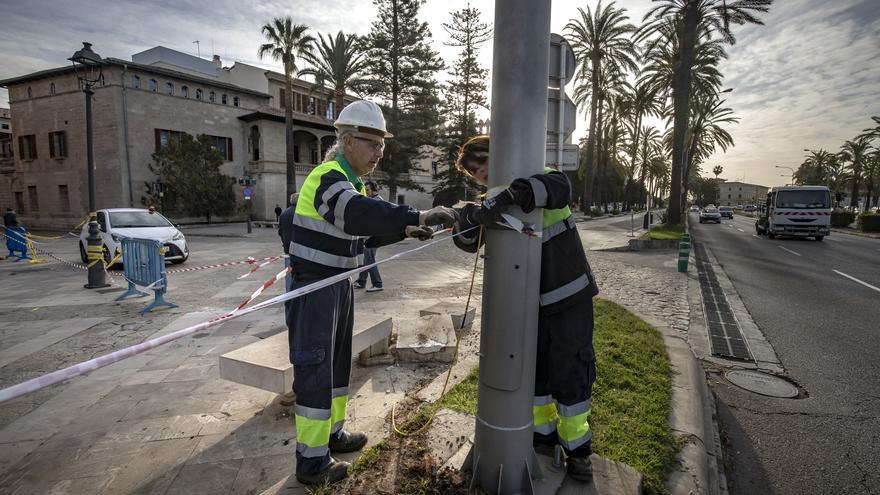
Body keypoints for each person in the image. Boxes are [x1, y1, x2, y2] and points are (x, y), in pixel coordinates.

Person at [287, 99, 456, 485]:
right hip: (313, 288)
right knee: (315, 367)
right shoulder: (329, 178)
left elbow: (369, 227)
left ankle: (332, 434)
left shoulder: (352, 183)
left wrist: (407, 229)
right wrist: (414, 215)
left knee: (335, 363)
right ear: (347, 141)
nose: (378, 152)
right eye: (371, 143)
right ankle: (311, 462)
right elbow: (357, 214)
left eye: (382, 145)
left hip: (336, 285)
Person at [451, 135, 599, 482]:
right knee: (537, 374)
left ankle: (578, 450)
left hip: (568, 300)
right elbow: (466, 244)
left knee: (571, 371)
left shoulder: (540, 177)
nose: (480, 174)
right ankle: (543, 438)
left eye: (481, 164)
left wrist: (512, 194)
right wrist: (469, 217)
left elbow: (561, 186)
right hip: (527, 307)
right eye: (473, 173)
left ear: (498, 152)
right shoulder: (490, 201)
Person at [353, 181, 383, 292]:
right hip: (368, 236)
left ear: (374, 189)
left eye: (367, 190)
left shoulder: (377, 201)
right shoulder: (371, 200)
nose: (365, 192)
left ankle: (378, 283)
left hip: (372, 237)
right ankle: (361, 281)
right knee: (365, 260)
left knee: (369, 260)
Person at [278, 193, 298, 291]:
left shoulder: (284, 213)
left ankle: (289, 292)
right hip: (300, 248)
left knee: (288, 273)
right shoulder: (301, 213)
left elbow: (280, 231)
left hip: (287, 248)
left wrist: (284, 241)